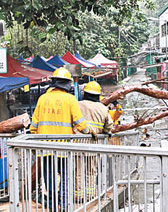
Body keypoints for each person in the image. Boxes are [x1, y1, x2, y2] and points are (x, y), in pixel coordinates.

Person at [29, 67, 92, 211]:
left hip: (46, 148)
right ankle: (64, 206)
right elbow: (80, 123)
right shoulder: (70, 99)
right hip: (64, 148)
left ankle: (52, 206)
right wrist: (90, 132)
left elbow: (34, 125)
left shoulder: (43, 98)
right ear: (67, 84)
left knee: (49, 179)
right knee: (65, 177)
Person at [76, 81, 114, 200]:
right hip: (94, 145)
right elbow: (109, 126)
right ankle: (90, 196)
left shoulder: (78, 105)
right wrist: (106, 133)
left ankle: (78, 197)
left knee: (78, 172)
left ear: (85, 93)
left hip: (77, 144)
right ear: (98, 95)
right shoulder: (102, 108)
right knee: (91, 172)